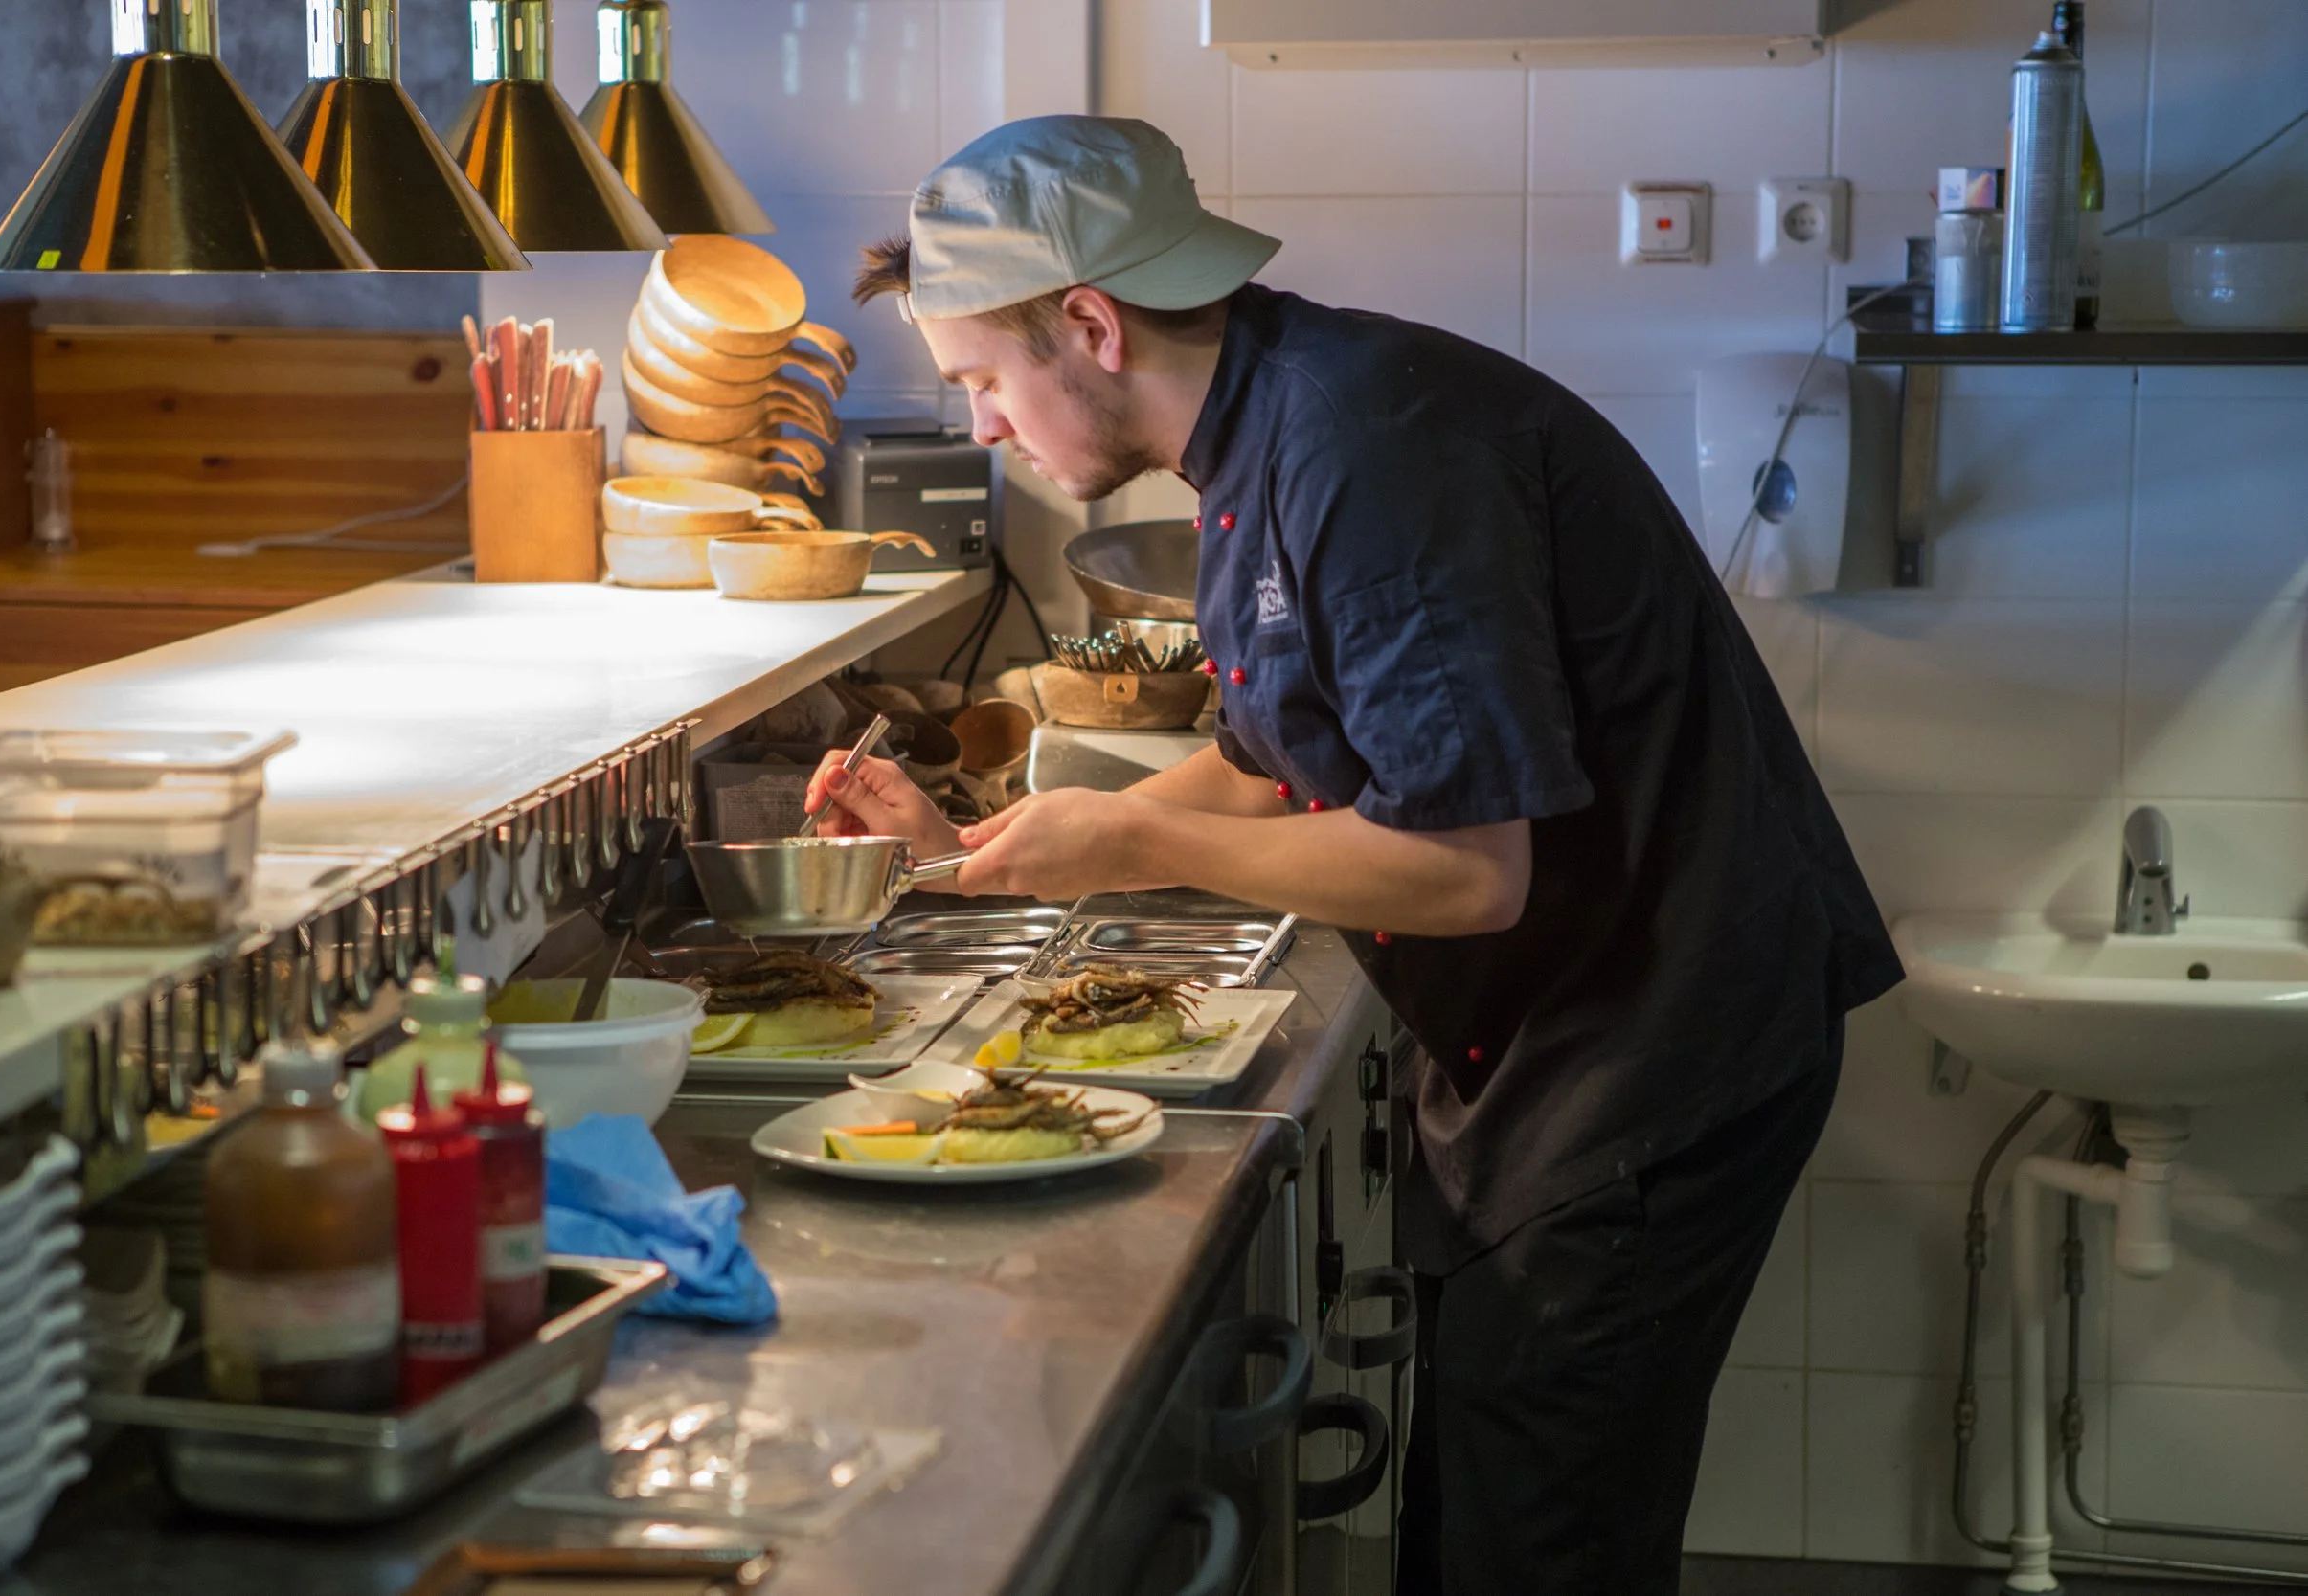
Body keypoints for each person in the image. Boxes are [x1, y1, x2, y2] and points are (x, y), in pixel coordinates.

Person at [805, 114, 1902, 1595]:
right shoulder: (1265, 425)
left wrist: (1128, 833)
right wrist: (989, 851)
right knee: (1483, 1518)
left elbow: (1466, 869)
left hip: (1652, 1047)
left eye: (983, 382)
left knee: (1543, 1549)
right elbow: (1272, 764)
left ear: (1092, 325)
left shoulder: (1364, 453)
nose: (985, 428)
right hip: (1565, 1033)